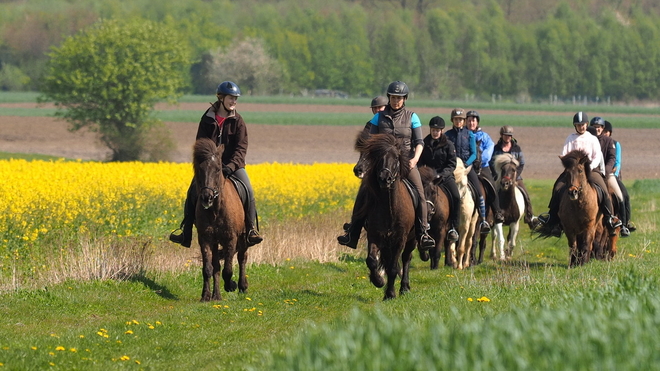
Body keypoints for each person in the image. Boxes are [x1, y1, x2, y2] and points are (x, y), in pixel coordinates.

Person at [338, 81, 435, 250]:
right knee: (363, 192)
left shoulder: (413, 117)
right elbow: (371, 144)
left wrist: (415, 159)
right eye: (393, 97)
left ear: (404, 99)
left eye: (399, 98)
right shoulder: (378, 118)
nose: (396, 100)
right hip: (383, 164)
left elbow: (419, 142)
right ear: (389, 98)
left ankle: (423, 232)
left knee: (420, 194)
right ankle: (352, 233)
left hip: (406, 164)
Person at [170, 81, 263, 248]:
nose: (234, 102)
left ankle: (251, 230)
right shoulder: (207, 119)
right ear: (221, 98)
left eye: (235, 99)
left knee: (248, 190)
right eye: (231, 98)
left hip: (232, 166)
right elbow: (200, 145)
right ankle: (186, 232)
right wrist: (208, 165)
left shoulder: (238, 121)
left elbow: (241, 149)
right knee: (192, 191)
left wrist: (231, 166)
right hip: (210, 168)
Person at [536, 112, 622, 237]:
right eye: (578, 125)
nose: (581, 127)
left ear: (586, 125)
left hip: (591, 170)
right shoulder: (570, 138)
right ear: (575, 126)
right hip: (572, 171)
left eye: (582, 125)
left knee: (603, 188)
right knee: (558, 186)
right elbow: (565, 153)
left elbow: (597, 156)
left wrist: (590, 167)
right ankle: (552, 217)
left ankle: (609, 218)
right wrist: (568, 165)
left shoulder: (592, 138)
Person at [445, 108, 492, 234]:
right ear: (452, 120)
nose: (458, 121)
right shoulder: (447, 135)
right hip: (452, 168)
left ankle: (482, 220)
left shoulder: (470, 135)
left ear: (464, 121)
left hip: (466, 168)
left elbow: (473, 153)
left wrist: (466, 165)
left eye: (460, 119)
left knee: (478, 191)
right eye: (456, 119)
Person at [418, 116, 460, 242]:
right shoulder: (424, 143)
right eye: (433, 130)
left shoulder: (448, 144)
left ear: (442, 131)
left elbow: (451, 164)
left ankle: (453, 227)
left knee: (456, 197)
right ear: (430, 130)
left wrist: (441, 175)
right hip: (428, 179)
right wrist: (423, 174)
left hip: (444, 178)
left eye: (438, 130)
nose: (435, 132)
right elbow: (420, 163)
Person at [589, 117, 630, 237]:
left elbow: (612, 158)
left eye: (599, 127)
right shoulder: (587, 140)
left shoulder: (609, 141)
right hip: (589, 172)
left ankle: (623, 225)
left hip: (606, 174)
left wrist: (605, 171)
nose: (597, 129)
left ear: (602, 129)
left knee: (620, 196)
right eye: (594, 127)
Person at [490, 125, 537, 228]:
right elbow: (492, 163)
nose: (508, 137)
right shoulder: (496, 148)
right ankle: (489, 217)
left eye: (509, 136)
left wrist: (516, 175)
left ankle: (530, 216)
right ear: (501, 136)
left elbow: (522, 163)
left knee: (525, 193)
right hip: (500, 178)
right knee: (491, 193)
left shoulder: (517, 148)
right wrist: (497, 176)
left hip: (515, 177)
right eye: (506, 135)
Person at [466, 110, 504, 225]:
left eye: (473, 120)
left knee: (491, 186)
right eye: (469, 121)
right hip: (467, 166)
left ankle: (497, 212)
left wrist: (480, 160)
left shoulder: (484, 136)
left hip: (483, 167)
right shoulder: (464, 135)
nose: (471, 123)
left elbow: (489, 150)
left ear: (477, 122)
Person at [603, 120, 635, 234]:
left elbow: (617, 162)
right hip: (599, 174)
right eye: (603, 130)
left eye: (607, 131)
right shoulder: (596, 142)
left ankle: (625, 223)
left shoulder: (615, 144)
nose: (604, 133)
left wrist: (614, 175)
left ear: (610, 132)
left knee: (624, 195)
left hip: (612, 175)